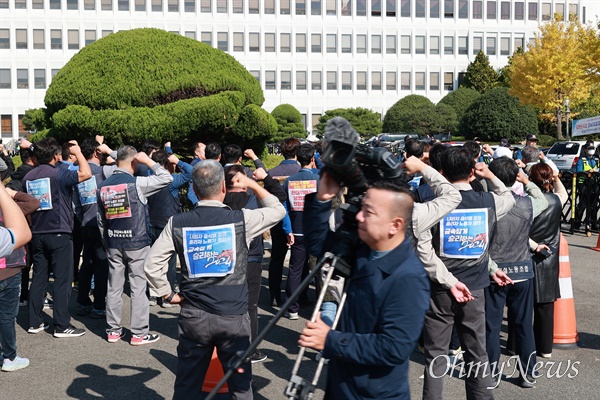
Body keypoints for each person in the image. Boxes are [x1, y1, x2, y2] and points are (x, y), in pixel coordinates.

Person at [144, 160, 286, 399]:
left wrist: (167, 294)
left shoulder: (177, 222)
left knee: (188, 385)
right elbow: (278, 209)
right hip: (234, 318)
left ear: (195, 191)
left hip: (194, 316)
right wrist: (252, 182)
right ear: (223, 187)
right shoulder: (242, 220)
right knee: (241, 385)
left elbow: (151, 264)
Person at [298, 172, 430, 399]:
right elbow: (319, 246)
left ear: (395, 225)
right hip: (342, 384)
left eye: (369, 212)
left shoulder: (408, 278)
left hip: (372, 393)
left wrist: (330, 339)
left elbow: (393, 348)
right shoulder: (365, 250)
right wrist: (322, 199)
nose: (358, 217)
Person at [420, 147, 515, 400]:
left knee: (436, 355)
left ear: (441, 173)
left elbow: (424, 250)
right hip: (475, 288)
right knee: (477, 352)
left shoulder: (432, 206)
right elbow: (510, 196)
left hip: (440, 288)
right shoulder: (488, 202)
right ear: (472, 173)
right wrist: (491, 176)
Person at [97, 145, 172, 345]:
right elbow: (167, 178)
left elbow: (100, 220)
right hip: (136, 241)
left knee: (113, 286)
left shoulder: (103, 186)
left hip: (113, 240)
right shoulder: (137, 183)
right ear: (134, 162)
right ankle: (138, 333)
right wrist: (149, 161)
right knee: (138, 286)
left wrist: (107, 242)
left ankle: (113, 330)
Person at [485, 157, 548, 388]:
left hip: (495, 272)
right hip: (522, 269)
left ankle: (491, 373)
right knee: (523, 324)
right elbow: (542, 199)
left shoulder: (488, 203)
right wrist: (527, 180)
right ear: (515, 178)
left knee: (491, 326)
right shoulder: (526, 203)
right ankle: (528, 372)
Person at [22, 137, 91, 338]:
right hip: (59, 232)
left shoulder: (28, 177)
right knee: (62, 279)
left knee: (39, 278)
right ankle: (61, 325)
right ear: (55, 156)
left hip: (37, 232)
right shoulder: (59, 173)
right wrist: (77, 152)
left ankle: (34, 322)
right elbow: (85, 173)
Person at [223, 164, 286, 363]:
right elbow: (279, 199)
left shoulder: (219, 201)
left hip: (224, 259)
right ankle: (249, 350)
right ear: (244, 181)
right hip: (251, 258)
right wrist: (259, 182)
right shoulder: (253, 200)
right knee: (250, 305)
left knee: (226, 304)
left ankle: (226, 346)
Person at [528, 163, 568, 359]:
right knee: (545, 307)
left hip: (527, 255)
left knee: (523, 306)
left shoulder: (526, 201)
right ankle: (545, 348)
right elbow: (564, 194)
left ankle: (516, 345)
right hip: (549, 258)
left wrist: (533, 244)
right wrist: (556, 177)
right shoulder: (557, 200)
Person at [147, 149, 193, 306]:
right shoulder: (171, 180)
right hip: (167, 225)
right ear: (167, 163)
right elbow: (191, 173)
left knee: (153, 260)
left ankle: (153, 295)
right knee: (170, 261)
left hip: (150, 223)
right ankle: (167, 296)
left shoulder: (147, 178)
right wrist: (178, 161)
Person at [282, 144, 320, 320]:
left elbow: (284, 209)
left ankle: (292, 308)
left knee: (295, 269)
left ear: (297, 158)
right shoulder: (319, 180)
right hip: (316, 232)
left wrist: (288, 229)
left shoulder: (289, 181)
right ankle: (320, 310)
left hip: (296, 230)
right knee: (318, 270)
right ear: (312, 159)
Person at [73, 139, 110, 319]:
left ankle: (82, 302)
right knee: (102, 265)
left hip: (85, 224)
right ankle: (99, 305)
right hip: (101, 224)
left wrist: (82, 219)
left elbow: (76, 205)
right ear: (97, 152)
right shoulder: (103, 172)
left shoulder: (80, 173)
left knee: (87, 264)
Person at [0, 183, 34, 371]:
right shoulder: (10, 207)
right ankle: (10, 357)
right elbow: (33, 202)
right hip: (10, 268)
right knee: (6, 317)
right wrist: (10, 194)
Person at [267, 138, 301, 306]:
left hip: (276, 220)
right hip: (298, 220)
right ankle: (299, 295)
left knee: (277, 258)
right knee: (299, 260)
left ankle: (274, 294)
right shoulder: (301, 172)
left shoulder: (272, 172)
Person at [573, 143, 598, 233]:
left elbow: (598, 169)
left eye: (593, 148)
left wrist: (596, 171)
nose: (591, 150)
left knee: (594, 205)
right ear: (585, 150)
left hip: (593, 184)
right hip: (583, 184)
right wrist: (587, 171)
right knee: (582, 204)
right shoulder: (581, 160)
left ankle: (593, 224)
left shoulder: (595, 160)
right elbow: (579, 171)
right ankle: (577, 223)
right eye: (589, 148)